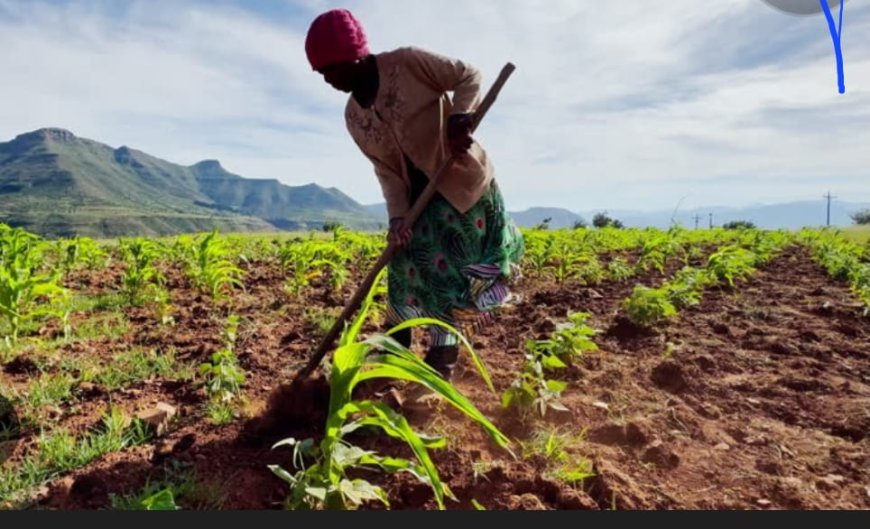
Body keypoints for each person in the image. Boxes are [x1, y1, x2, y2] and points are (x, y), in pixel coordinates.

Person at [305, 8, 524, 384]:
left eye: (333, 69)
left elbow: (468, 75)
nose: (328, 80)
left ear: (356, 56)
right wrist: (397, 219)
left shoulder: (407, 64)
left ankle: (442, 363)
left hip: (459, 188)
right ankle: (395, 352)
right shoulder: (353, 117)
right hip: (416, 202)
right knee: (404, 268)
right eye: (321, 73)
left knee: (451, 280)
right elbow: (386, 171)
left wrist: (459, 117)